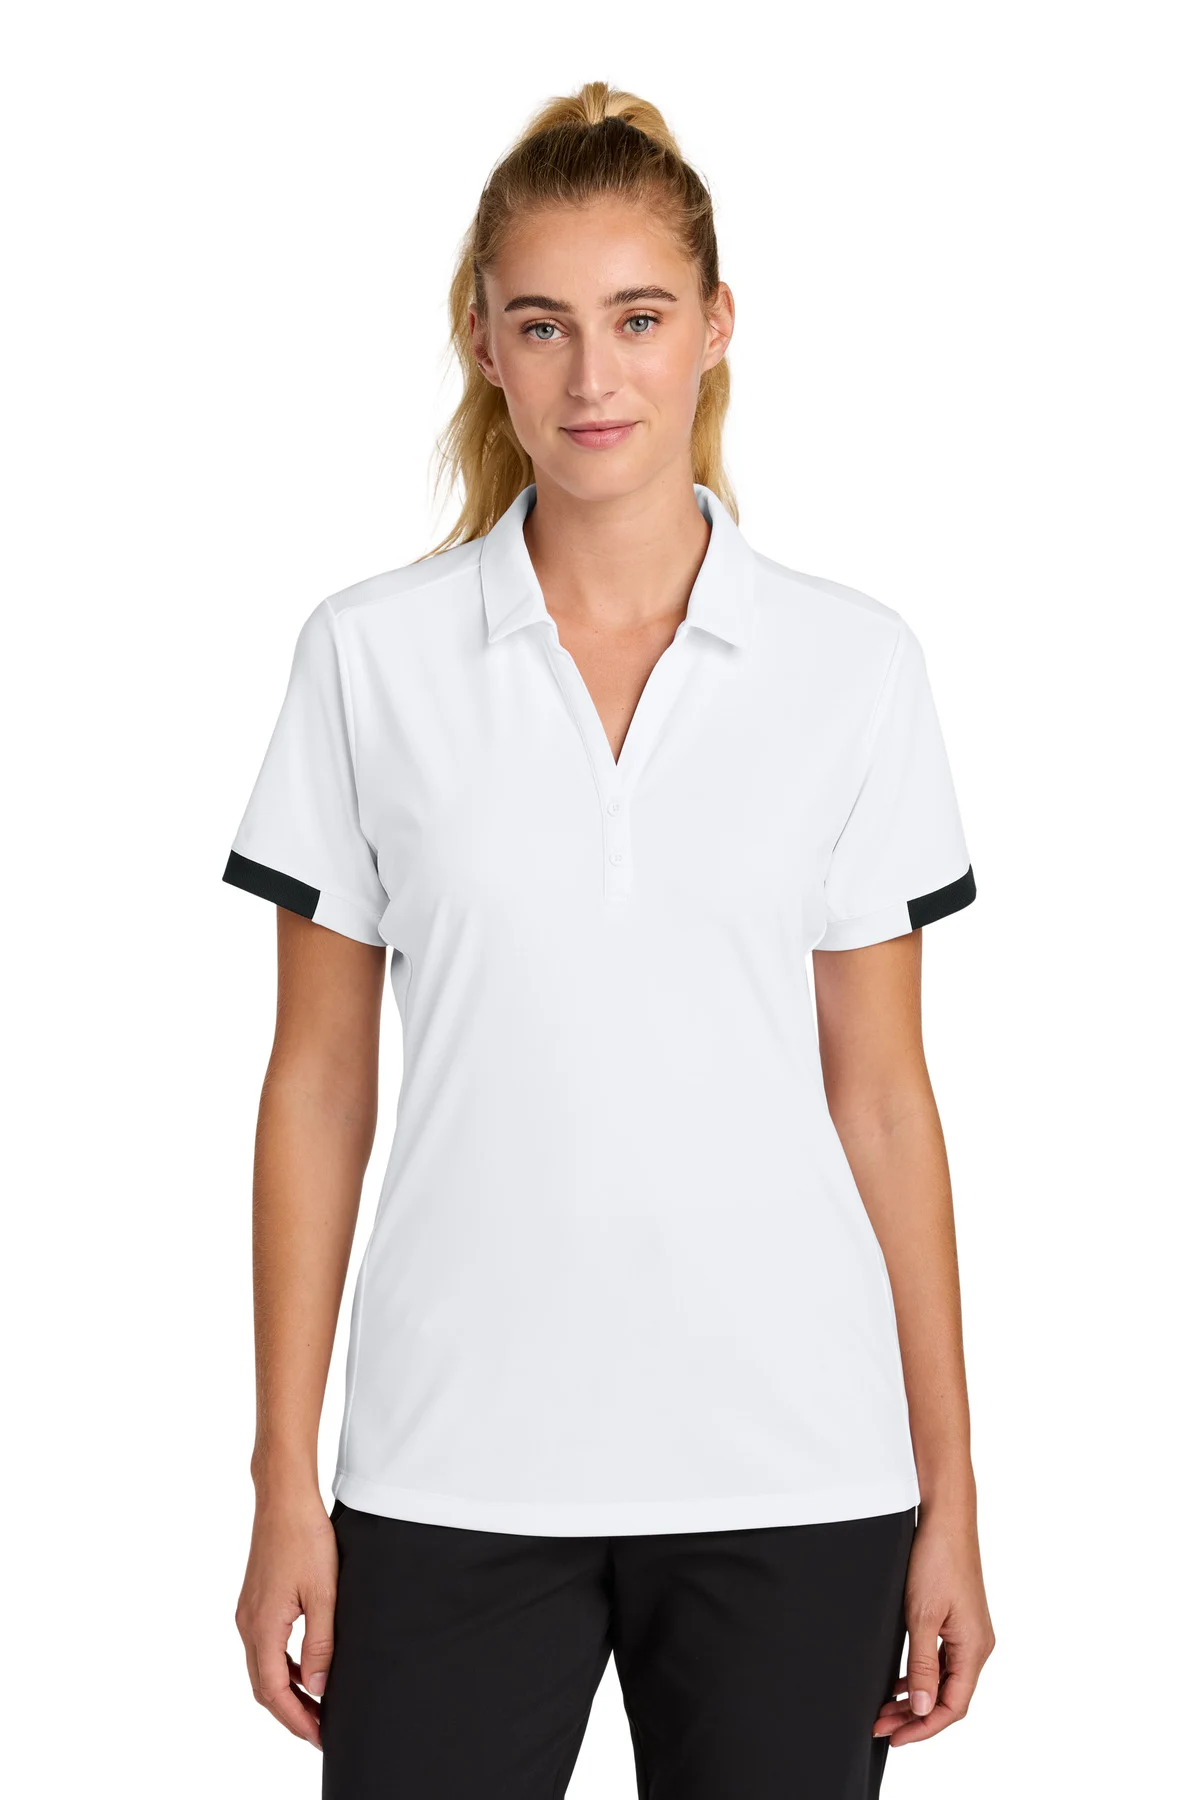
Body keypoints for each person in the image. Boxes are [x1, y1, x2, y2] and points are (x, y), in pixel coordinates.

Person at [225, 80, 995, 1800]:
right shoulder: (369, 660)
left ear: (715, 328)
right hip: (447, 1472)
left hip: (798, 1474)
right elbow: (318, 1087)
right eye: (544, 324)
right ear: (482, 344)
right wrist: (284, 1480)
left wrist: (951, 1496)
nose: (595, 376)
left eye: (639, 319)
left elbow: (885, 1101)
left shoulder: (854, 668)